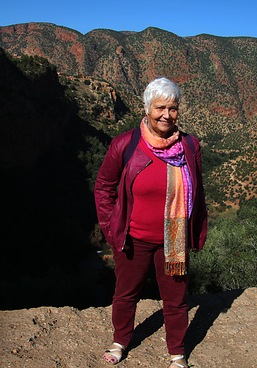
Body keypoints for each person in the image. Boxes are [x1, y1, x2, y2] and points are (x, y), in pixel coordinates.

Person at [94, 77, 208, 367]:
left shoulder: (189, 146)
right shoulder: (126, 144)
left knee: (176, 299)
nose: (166, 115)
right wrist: (110, 227)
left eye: (173, 108)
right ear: (146, 108)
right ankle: (120, 340)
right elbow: (104, 186)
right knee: (125, 294)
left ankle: (177, 352)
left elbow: (200, 191)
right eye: (159, 107)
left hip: (174, 240)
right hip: (133, 239)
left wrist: (198, 232)